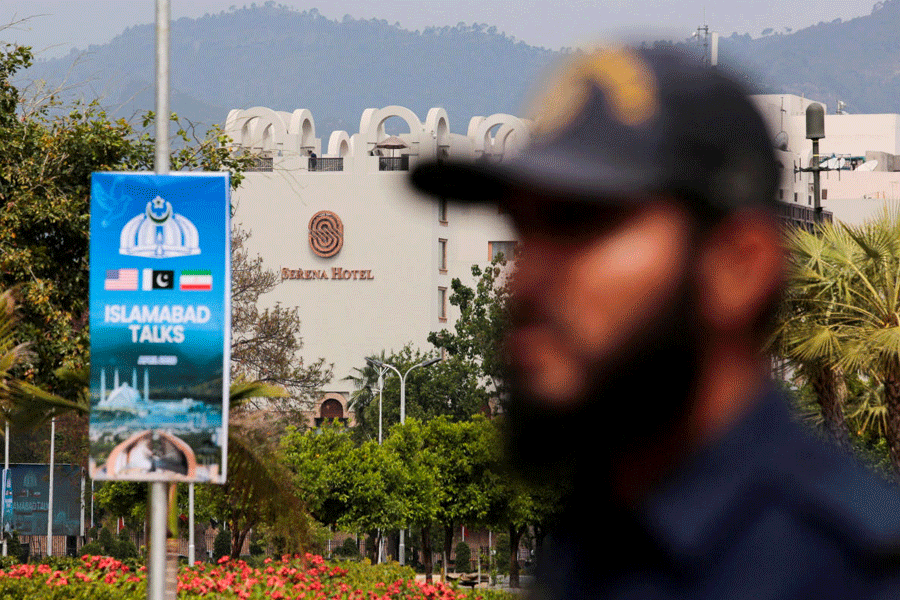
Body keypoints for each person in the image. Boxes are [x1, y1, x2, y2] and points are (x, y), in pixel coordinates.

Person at [411, 46, 900, 599]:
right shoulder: (595, 546)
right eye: (524, 229)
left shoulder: (850, 572)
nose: (522, 281)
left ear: (739, 266)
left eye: (579, 224)